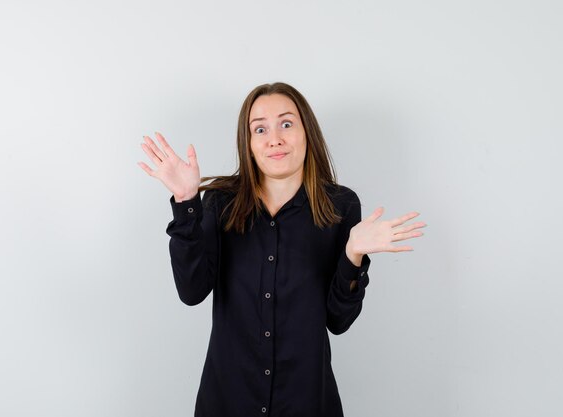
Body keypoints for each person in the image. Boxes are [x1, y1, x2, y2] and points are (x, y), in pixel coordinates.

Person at [137, 82, 426, 417]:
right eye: (260, 129)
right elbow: (192, 291)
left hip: (306, 402)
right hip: (228, 402)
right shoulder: (220, 202)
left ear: (307, 132)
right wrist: (187, 204)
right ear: (248, 143)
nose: (274, 138)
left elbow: (338, 320)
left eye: (286, 124)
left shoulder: (340, 206)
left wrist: (353, 255)